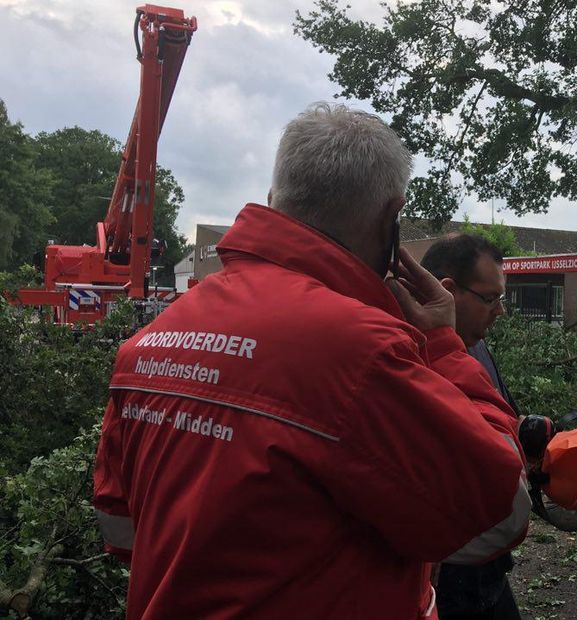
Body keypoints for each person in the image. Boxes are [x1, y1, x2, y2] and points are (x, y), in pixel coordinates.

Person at [92, 103, 531, 619]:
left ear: (277, 200)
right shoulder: (362, 352)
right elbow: (501, 511)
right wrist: (440, 344)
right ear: (391, 219)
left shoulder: (150, 341)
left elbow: (120, 526)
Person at [420, 233, 524, 620]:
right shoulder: (398, 358)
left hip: (488, 572)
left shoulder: (477, 346)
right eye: (490, 298)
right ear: (447, 291)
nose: (501, 311)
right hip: (438, 579)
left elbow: (503, 423)